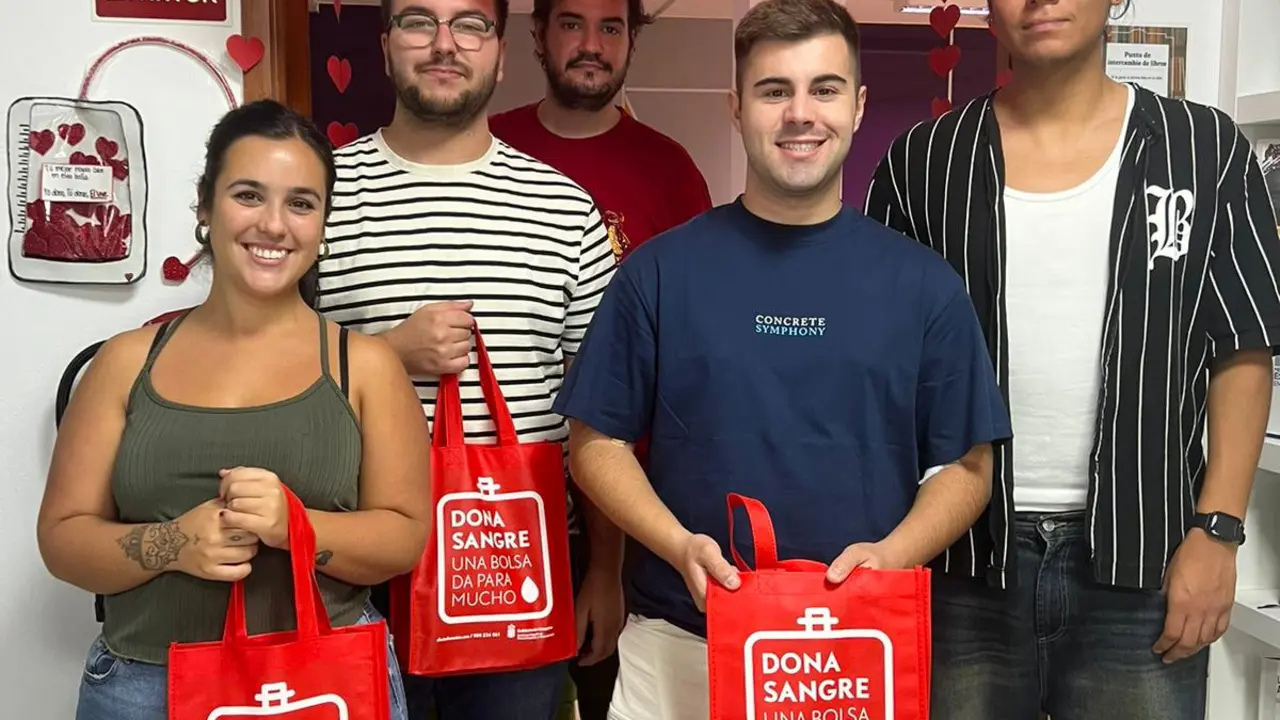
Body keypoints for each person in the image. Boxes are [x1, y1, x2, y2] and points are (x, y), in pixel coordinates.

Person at [551, 1, 1013, 718]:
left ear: (857, 107)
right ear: (737, 108)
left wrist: (891, 557)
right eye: (775, 90)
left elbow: (967, 465)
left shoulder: (924, 286)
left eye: (824, 89)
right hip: (681, 647)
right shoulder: (658, 272)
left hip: (851, 652)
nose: (802, 113)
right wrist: (676, 546)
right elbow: (595, 443)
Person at [864, 1, 1280, 718]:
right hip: (962, 561)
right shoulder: (923, 161)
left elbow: (1240, 347)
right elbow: (879, 355)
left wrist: (1218, 532)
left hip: (1144, 560)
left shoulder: (1205, 149)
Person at [36, 99, 431, 720]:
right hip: (142, 690)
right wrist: (175, 543)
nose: (274, 225)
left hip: (320, 684)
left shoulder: (367, 367)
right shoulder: (124, 362)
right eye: (249, 195)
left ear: (323, 223)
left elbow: (405, 538)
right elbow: (62, 541)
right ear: (205, 207)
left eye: (301, 203)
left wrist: (295, 527)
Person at [314, 0, 618, 718]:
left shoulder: (566, 210)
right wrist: (385, 355)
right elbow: (259, 373)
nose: (445, 44)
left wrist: (604, 570)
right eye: (420, 22)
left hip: (519, 572)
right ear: (387, 46)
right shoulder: (317, 194)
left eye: (470, 25)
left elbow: (600, 417)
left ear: (502, 52)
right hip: (352, 576)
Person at [489, 0, 713, 264]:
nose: (591, 46)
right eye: (571, 25)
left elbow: (700, 294)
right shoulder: (486, 144)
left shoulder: (673, 171)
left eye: (609, 29)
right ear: (540, 35)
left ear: (632, 41)